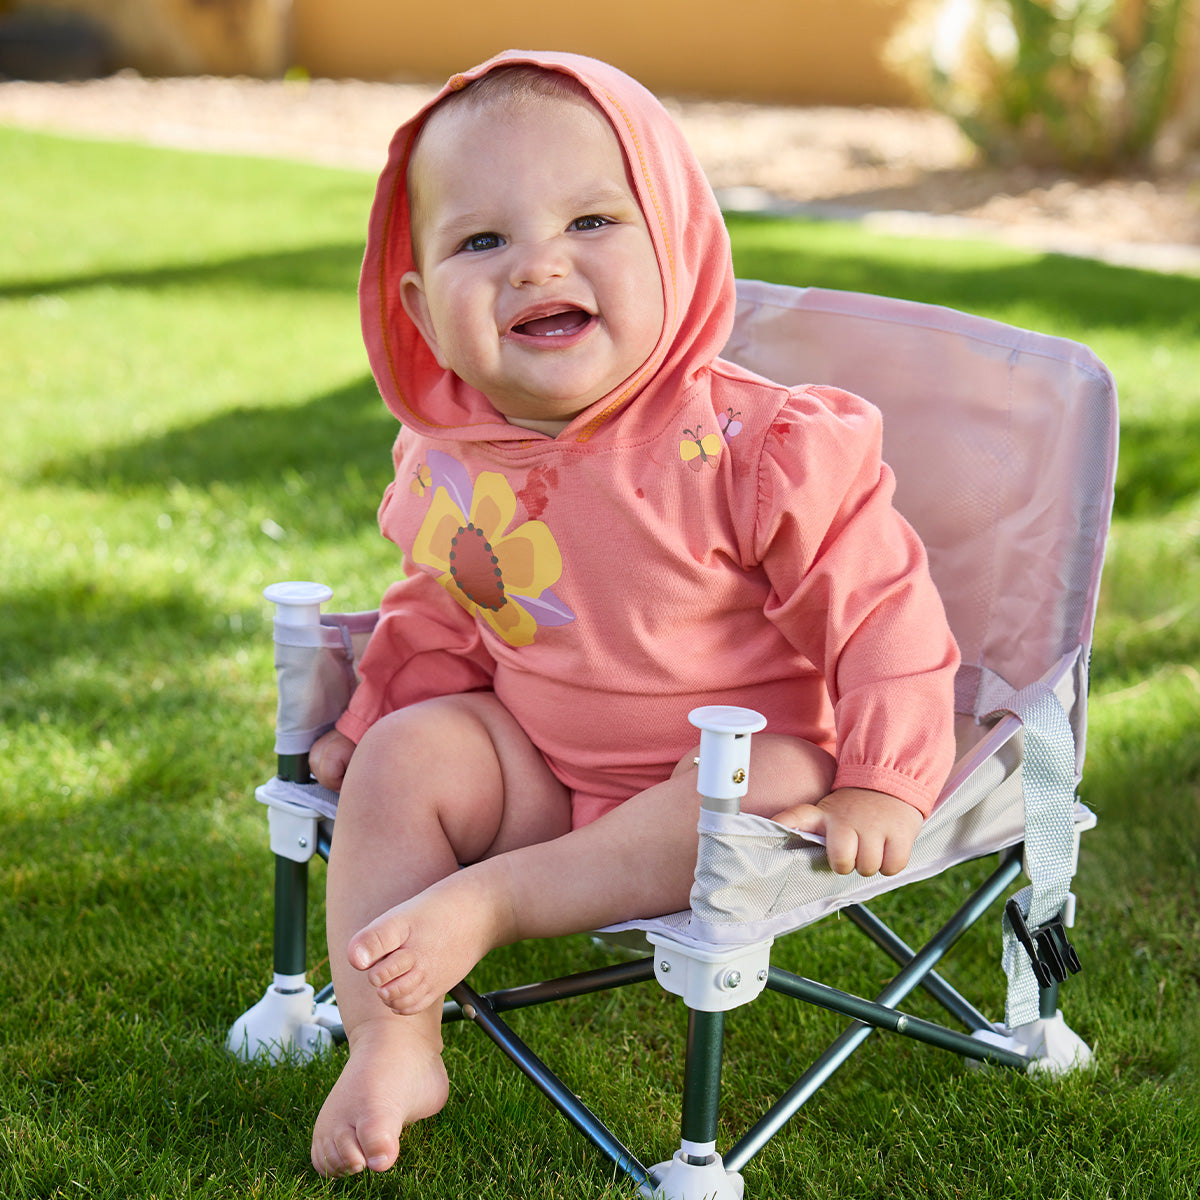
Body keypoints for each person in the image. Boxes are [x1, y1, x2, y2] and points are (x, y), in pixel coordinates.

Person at [306, 49, 960, 1178]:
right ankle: (391, 1039)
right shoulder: (455, 457)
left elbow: (881, 608)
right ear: (420, 305)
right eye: (481, 242)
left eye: (593, 219)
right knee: (411, 757)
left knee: (773, 776)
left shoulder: (757, 447)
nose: (536, 265)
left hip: (722, 797)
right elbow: (446, 614)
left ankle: (492, 905)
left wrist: (884, 775)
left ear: (680, 240)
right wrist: (370, 728)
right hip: (545, 777)